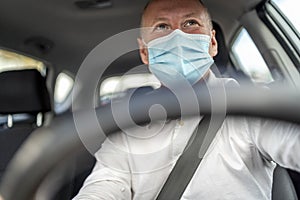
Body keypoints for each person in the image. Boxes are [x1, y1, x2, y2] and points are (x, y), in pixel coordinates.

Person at [73, 0, 300, 199]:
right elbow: (106, 184)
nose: (177, 36)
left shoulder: (252, 105)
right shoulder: (127, 124)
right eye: (162, 26)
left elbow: (290, 139)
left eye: (190, 23)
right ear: (145, 52)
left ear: (212, 43)